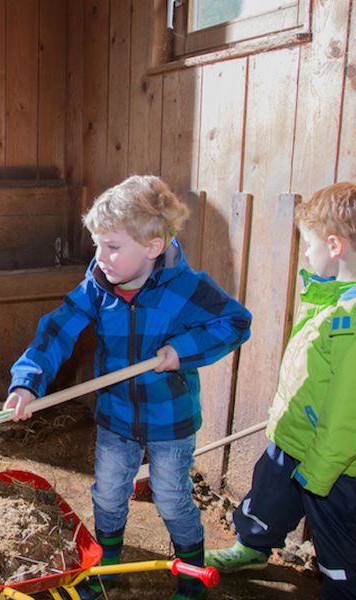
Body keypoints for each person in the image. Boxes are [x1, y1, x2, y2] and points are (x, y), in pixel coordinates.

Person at [3, 175, 252, 600]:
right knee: (108, 494)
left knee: (173, 500)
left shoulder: (187, 287)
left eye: (113, 247)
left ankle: (192, 577)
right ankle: (108, 569)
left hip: (169, 419)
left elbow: (235, 322)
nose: (100, 257)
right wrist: (28, 381)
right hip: (116, 417)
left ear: (153, 247)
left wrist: (182, 349)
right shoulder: (98, 287)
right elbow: (58, 331)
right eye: (98, 245)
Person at [205, 182, 356, 599]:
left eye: (308, 245)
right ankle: (251, 546)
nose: (304, 254)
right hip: (292, 437)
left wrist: (319, 475)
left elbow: (347, 416)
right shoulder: (330, 294)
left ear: (335, 245)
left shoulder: (351, 320)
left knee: (337, 545)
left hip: (331, 462)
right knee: (268, 498)